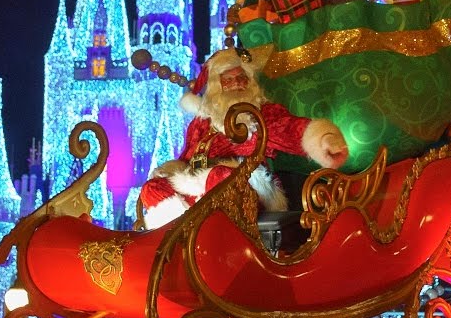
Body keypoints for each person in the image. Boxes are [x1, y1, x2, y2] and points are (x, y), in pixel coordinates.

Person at [139, 48, 349, 228]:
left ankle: (202, 232)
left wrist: (323, 139)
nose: (237, 84)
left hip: (245, 186)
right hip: (195, 190)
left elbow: (291, 129)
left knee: (221, 177)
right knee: (151, 188)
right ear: (217, 87)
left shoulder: (260, 113)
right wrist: (171, 169)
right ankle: (181, 232)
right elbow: (186, 157)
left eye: (242, 78)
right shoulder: (201, 122)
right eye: (228, 80)